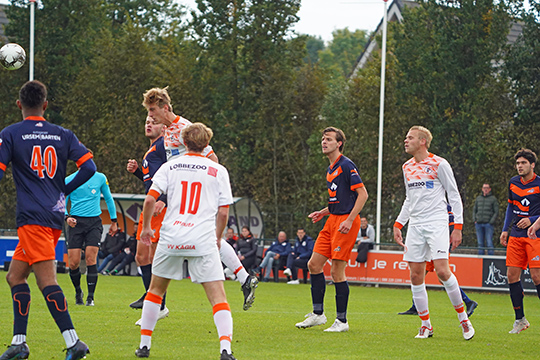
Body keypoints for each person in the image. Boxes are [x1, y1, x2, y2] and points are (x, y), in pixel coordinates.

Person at [0, 80, 93, 359]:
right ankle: (19, 342)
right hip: (52, 213)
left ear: (19, 105)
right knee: (15, 277)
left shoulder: (10, 134)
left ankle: (74, 341)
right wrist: (64, 187)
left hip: (32, 217)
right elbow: (89, 166)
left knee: (46, 281)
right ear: (46, 105)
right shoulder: (62, 134)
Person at [142, 87, 258, 311]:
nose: (151, 115)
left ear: (165, 108)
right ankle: (244, 278)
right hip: (182, 193)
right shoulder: (167, 131)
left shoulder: (185, 127)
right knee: (205, 237)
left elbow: (211, 157)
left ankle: (156, 302)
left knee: (200, 236)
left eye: (153, 110)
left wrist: (211, 188)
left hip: (197, 191)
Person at [135, 123, 237, 360]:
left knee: (155, 291)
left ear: (183, 141)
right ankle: (225, 349)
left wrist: (147, 228)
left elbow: (150, 200)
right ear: (207, 143)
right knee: (218, 297)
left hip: (171, 237)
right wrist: (218, 237)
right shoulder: (218, 170)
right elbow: (223, 213)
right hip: (202, 239)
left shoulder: (171, 166)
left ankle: (144, 346)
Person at [393, 126, 474, 340]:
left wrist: (457, 227)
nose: (405, 140)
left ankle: (464, 320)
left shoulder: (440, 163)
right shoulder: (407, 167)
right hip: (416, 225)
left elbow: (454, 195)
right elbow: (409, 199)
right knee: (415, 274)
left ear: (422, 141)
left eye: (409, 137)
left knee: (442, 271)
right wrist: (399, 224)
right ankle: (426, 325)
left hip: (437, 222)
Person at [295, 127, 368, 333]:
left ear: (339, 144)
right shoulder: (330, 169)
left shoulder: (346, 165)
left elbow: (362, 195)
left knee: (337, 270)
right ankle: (318, 315)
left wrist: (350, 219)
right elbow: (341, 199)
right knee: (314, 264)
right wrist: (324, 212)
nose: (323, 142)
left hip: (346, 221)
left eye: (328, 139)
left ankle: (342, 321)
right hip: (332, 220)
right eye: (322, 139)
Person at [126, 116, 170, 323]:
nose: (148, 124)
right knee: (142, 257)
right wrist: (137, 172)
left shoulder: (163, 146)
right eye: (146, 121)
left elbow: (174, 175)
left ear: (164, 126)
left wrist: (164, 199)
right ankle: (152, 298)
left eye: (154, 121)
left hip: (159, 209)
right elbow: (151, 182)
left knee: (152, 256)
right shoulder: (152, 149)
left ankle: (157, 304)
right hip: (150, 207)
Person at [398, 205, 478, 317]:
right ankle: (415, 306)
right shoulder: (435, 203)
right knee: (419, 274)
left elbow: (450, 225)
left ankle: (468, 302)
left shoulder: (442, 205)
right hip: (433, 241)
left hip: (439, 243)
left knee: (441, 276)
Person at [65, 161, 118, 307]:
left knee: (90, 258)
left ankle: (90, 297)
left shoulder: (100, 178)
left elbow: (108, 198)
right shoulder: (69, 179)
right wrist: (66, 217)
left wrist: (114, 221)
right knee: (74, 262)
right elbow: (62, 199)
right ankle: (78, 292)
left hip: (94, 223)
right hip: (76, 223)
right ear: (78, 164)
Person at [501, 149, 540, 334]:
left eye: (523, 163)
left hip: (535, 236)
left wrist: (532, 220)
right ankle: (520, 320)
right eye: (518, 163)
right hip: (516, 235)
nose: (519, 166)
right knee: (511, 276)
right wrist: (504, 229)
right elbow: (510, 206)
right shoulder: (513, 183)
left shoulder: (539, 184)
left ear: (532, 165)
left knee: (536, 277)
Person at [473, 183, 498, 255]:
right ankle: (480, 260)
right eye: (484, 188)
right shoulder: (478, 198)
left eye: (487, 188)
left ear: (490, 189)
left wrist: (491, 221)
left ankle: (491, 260)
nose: (485, 189)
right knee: (480, 243)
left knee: (489, 242)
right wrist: (475, 219)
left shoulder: (493, 199)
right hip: (479, 223)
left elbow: (496, 212)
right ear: (482, 189)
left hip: (488, 224)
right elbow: (474, 210)